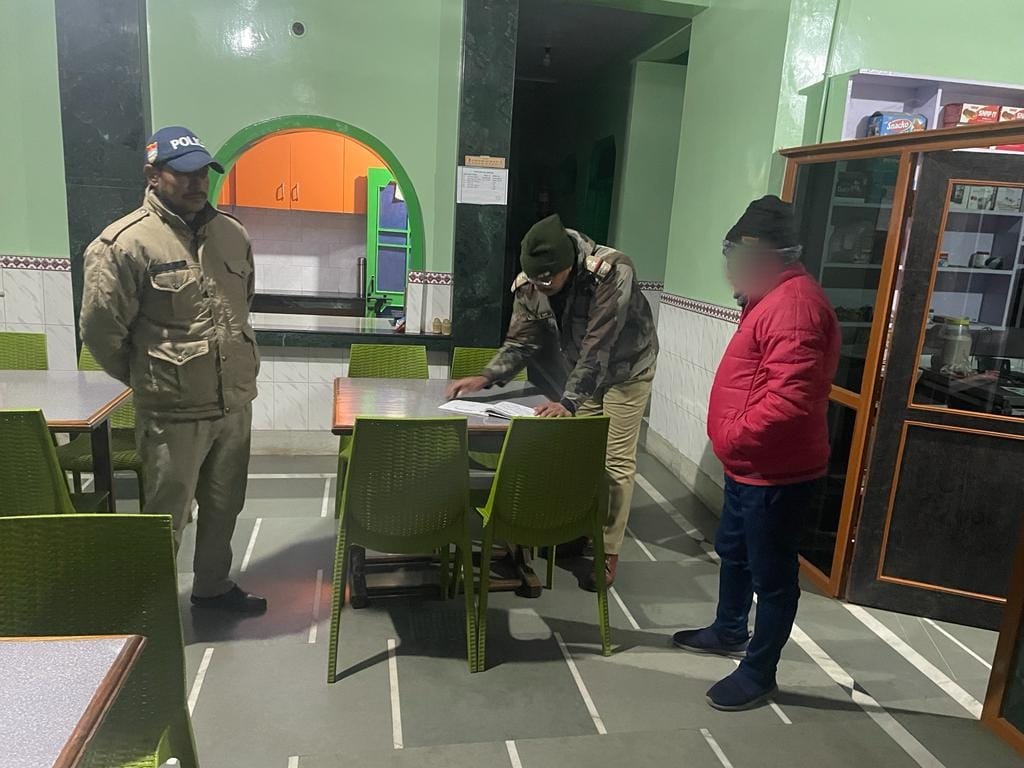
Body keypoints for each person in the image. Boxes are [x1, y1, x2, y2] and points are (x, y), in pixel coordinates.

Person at [80, 126, 266, 615]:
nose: (196, 182)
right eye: (183, 173)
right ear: (152, 175)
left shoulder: (232, 234)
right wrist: (151, 376)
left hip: (233, 404)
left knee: (225, 505)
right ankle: (152, 610)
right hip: (172, 412)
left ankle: (213, 587)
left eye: (202, 172)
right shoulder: (124, 244)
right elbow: (100, 333)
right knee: (167, 515)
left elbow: (241, 306)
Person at [671, 195, 840, 710]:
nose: (732, 268)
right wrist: (735, 445)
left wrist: (733, 437)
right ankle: (728, 629)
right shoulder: (768, 298)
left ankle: (760, 672)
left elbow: (790, 400)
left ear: (774, 258)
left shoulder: (796, 306)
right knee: (735, 551)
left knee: (773, 576)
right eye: (731, 256)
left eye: (742, 259)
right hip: (751, 465)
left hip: (777, 471)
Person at [447, 214, 659, 590]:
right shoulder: (530, 286)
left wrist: (568, 402)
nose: (541, 287)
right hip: (584, 372)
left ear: (568, 265)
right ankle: (581, 528)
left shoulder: (611, 271)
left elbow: (599, 345)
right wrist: (485, 377)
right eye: (536, 280)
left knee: (614, 462)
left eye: (548, 280)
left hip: (628, 370)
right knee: (581, 456)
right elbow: (520, 342)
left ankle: (608, 550)